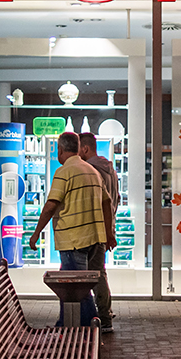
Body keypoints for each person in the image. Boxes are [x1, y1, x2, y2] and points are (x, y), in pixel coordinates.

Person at [29, 131, 112, 327]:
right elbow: (107, 203)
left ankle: (91, 326)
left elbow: (51, 204)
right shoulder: (92, 171)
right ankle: (66, 323)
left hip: (74, 240)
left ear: (60, 149)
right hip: (96, 239)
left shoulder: (64, 172)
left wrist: (36, 233)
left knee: (76, 289)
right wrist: (108, 233)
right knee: (73, 285)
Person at [79, 132, 119, 332]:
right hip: (105, 226)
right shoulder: (111, 170)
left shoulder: (91, 170)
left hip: (94, 227)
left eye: (78, 149)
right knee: (98, 271)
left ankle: (104, 316)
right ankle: (102, 312)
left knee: (95, 273)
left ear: (85, 148)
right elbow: (115, 200)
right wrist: (110, 230)